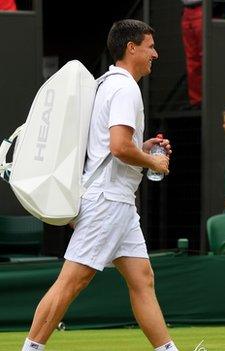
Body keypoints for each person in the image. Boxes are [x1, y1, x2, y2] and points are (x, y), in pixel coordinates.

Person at [21, 20, 179, 351]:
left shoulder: (106, 83)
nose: (156, 53)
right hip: (107, 202)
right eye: (150, 46)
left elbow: (113, 145)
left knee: (143, 280)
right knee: (71, 283)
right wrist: (153, 161)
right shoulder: (124, 88)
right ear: (131, 48)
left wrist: (143, 144)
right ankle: (30, 349)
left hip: (117, 201)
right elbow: (119, 147)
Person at [180, 0, 203, 109]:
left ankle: (209, 97)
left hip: (202, 9)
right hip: (187, 11)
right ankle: (196, 100)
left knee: (205, 56)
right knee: (192, 59)